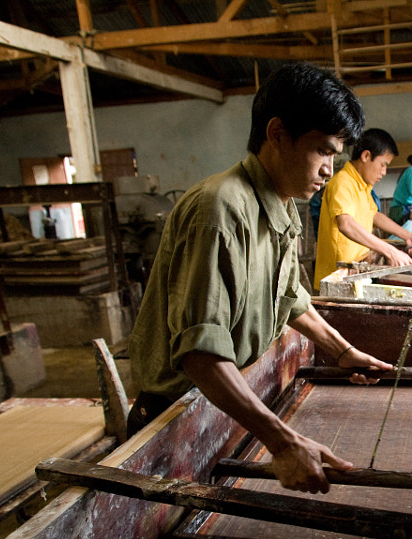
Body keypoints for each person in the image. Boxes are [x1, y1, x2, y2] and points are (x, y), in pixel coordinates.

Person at [127, 62, 393, 495]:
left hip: (219, 403)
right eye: (323, 151)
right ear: (277, 134)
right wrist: (283, 442)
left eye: (336, 156)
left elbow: (290, 298)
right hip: (171, 419)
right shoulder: (220, 210)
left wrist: (342, 351)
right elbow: (200, 353)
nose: (329, 169)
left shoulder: (281, 205)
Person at [313, 128, 412, 289]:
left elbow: (374, 215)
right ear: (366, 156)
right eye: (383, 165)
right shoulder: (343, 183)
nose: (384, 172)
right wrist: (391, 251)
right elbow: (346, 224)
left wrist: (408, 236)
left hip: (355, 269)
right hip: (337, 279)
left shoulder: (362, 185)